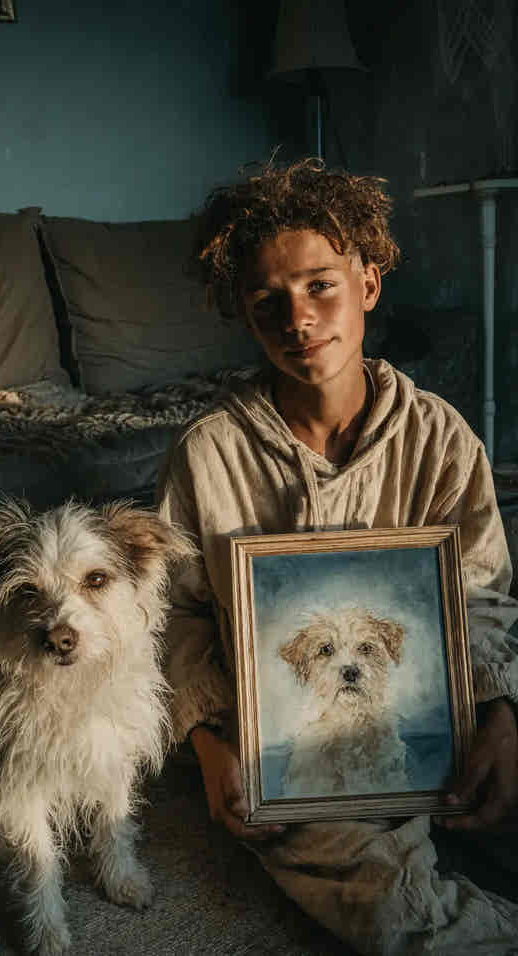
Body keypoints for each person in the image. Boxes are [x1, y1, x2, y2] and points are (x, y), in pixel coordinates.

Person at [156, 159, 518, 955]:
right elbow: (175, 614)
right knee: (379, 899)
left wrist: (500, 714)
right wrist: (211, 744)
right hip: (289, 747)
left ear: (369, 283)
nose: (299, 318)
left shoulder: (442, 440)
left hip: (439, 712)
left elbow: (483, 592)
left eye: (321, 285)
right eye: (267, 303)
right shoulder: (208, 456)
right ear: (246, 319)